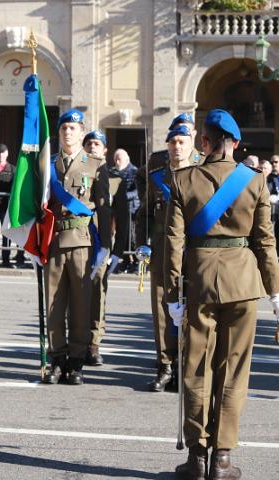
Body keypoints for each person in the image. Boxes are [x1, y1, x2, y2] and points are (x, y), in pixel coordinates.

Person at [165, 109, 279, 479]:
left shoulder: (183, 179)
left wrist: (172, 295)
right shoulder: (255, 181)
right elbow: (265, 242)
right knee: (234, 371)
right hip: (244, 284)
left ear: (204, 142)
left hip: (200, 282)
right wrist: (275, 291)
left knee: (197, 369)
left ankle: (197, 457)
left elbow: (173, 243)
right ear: (235, 144)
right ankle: (223, 460)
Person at [42, 109, 111, 386]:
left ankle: (76, 361)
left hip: (82, 241)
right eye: (64, 128)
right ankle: (57, 358)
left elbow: (104, 209)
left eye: (73, 128)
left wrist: (105, 246)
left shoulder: (95, 165)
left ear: (82, 132)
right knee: (54, 305)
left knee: (82, 306)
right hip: (54, 241)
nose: (68, 132)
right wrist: (34, 243)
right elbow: (38, 205)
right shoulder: (49, 164)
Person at [135, 114, 203, 393]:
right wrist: (142, 242)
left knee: (194, 307)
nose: (177, 147)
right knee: (163, 307)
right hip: (163, 247)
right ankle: (165, 365)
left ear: (192, 141)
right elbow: (144, 213)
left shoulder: (203, 170)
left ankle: (188, 365)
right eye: (172, 142)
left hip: (194, 248)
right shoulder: (157, 175)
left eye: (182, 141)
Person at [82, 130, 128, 366]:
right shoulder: (76, 173)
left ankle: (94, 343)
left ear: (105, 150)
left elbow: (123, 217)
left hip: (102, 245)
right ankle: (75, 340)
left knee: (98, 293)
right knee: (75, 292)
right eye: (89, 143)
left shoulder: (115, 179)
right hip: (78, 241)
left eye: (97, 144)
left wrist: (118, 251)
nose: (92, 147)